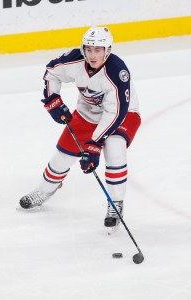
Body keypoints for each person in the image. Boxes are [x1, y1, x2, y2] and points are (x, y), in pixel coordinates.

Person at [19, 26, 141, 233]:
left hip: (122, 115)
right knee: (62, 156)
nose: (92, 55)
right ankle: (44, 190)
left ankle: (116, 204)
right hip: (87, 113)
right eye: (89, 49)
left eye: (98, 50)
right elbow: (51, 73)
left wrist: (94, 145)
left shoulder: (116, 71)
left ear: (107, 50)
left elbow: (115, 113)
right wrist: (53, 99)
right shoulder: (75, 60)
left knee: (114, 149)